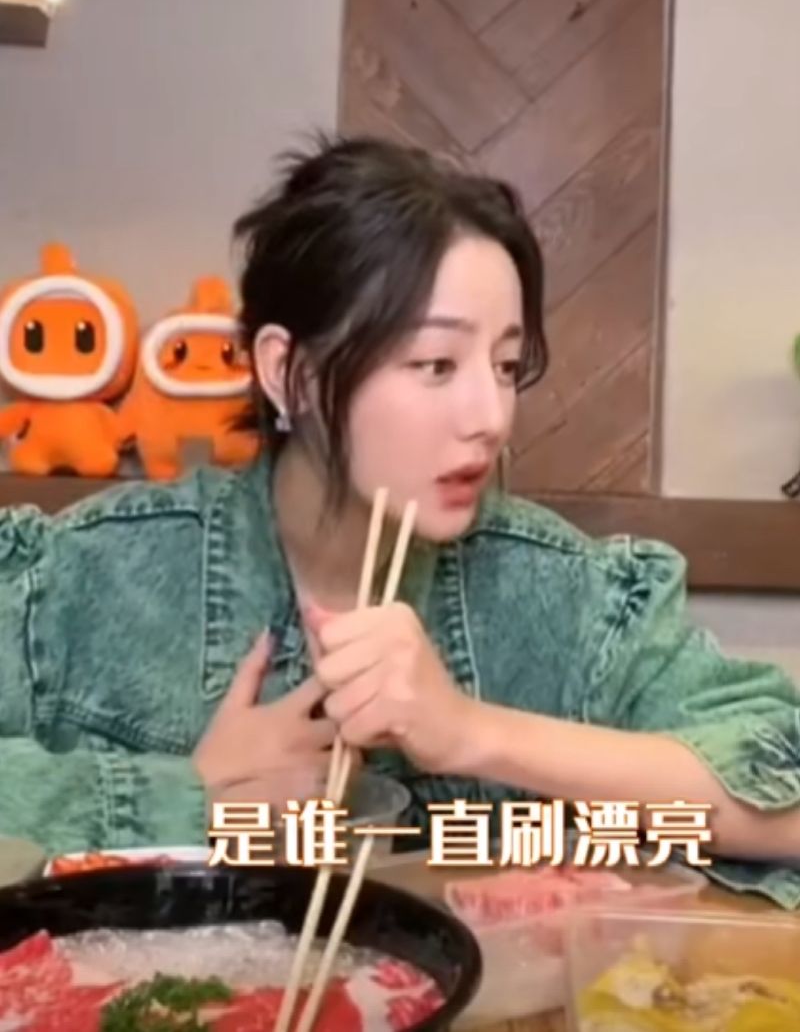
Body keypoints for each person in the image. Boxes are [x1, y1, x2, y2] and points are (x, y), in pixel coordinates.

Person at [0, 136, 798, 909]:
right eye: (435, 365)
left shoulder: (568, 593)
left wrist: (468, 732)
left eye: (506, 365)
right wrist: (185, 794)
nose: (490, 416)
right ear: (290, 372)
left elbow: (785, 791)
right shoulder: (81, 576)